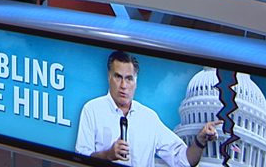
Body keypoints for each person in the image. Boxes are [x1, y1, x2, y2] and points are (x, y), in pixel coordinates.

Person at [75, 51, 221, 166]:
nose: (123, 86)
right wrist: (108, 155)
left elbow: (183, 161)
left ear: (136, 82)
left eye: (129, 79)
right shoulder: (92, 110)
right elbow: (80, 159)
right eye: (118, 77)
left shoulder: (149, 118)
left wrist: (200, 141)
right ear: (109, 77)